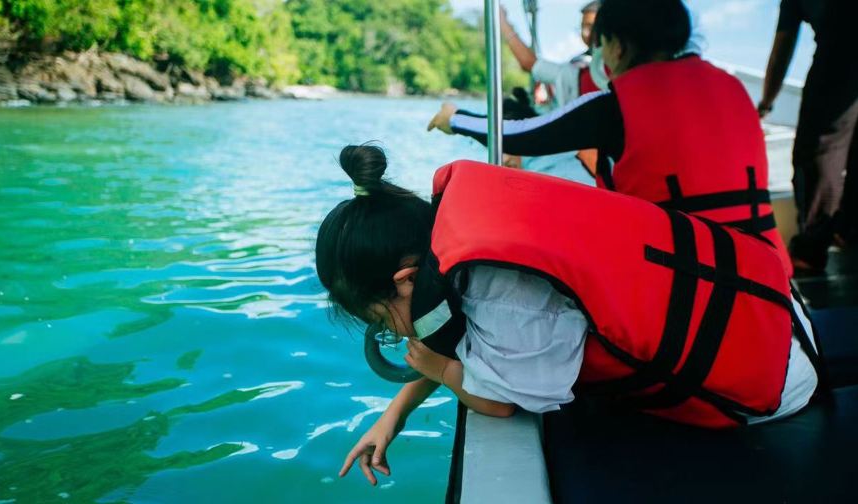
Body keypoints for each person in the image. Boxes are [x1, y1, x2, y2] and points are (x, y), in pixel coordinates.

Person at [317, 144, 820, 485]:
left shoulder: (503, 299)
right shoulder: (452, 238)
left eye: (383, 322)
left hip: (771, 379)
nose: (392, 333)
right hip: (772, 304)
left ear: (406, 280)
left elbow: (500, 402)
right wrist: (393, 416)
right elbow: (448, 336)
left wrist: (442, 372)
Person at [428, 0, 793, 274]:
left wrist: (454, 118)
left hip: (687, 281)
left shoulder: (617, 104)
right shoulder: (732, 87)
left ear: (616, 46)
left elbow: (520, 136)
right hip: (768, 271)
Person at [759, 0, 858, 273]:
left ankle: (811, 247)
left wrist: (767, 102)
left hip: (843, 44)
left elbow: (783, 47)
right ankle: (849, 228)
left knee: (817, 146)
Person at [501, 2, 604, 111]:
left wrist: (502, 23)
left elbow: (529, 63)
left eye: (592, 27)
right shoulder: (578, 61)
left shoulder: (599, 70)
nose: (588, 33)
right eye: (584, 27)